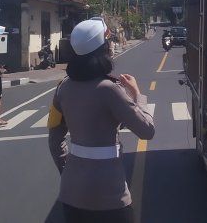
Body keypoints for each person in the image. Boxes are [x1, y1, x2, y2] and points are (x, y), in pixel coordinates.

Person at [48, 17, 154, 223]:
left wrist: (69, 171)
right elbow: (147, 130)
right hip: (110, 195)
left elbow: (54, 141)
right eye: (108, 43)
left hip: (72, 194)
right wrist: (137, 94)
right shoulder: (110, 89)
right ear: (102, 50)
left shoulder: (63, 88)